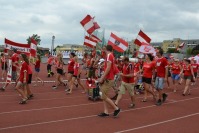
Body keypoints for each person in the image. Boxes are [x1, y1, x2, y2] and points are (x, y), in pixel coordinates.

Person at [98, 45, 120, 118]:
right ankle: (106, 111)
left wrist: (102, 78)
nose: (103, 50)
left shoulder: (109, 56)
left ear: (106, 49)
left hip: (108, 79)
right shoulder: (110, 56)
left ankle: (116, 108)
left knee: (103, 95)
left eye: (104, 48)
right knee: (105, 95)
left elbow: (108, 68)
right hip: (108, 78)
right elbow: (110, 67)